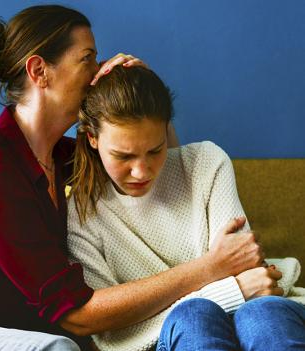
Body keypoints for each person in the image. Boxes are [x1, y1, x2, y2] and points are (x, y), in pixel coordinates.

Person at [0, 5, 265, 351]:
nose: (99, 70)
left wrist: (140, 93)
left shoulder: (69, 158)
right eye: (87, 59)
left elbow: (165, 172)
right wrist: (211, 269)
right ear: (40, 71)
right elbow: (77, 315)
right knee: (56, 348)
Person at [67, 65, 305, 350]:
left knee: (261, 314)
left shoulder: (206, 163)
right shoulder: (81, 213)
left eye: (155, 150)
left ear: (167, 129)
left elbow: (244, 268)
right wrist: (234, 290)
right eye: (123, 156)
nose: (142, 172)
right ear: (92, 138)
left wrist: (237, 285)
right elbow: (111, 330)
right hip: (168, 336)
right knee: (192, 317)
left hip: (262, 309)